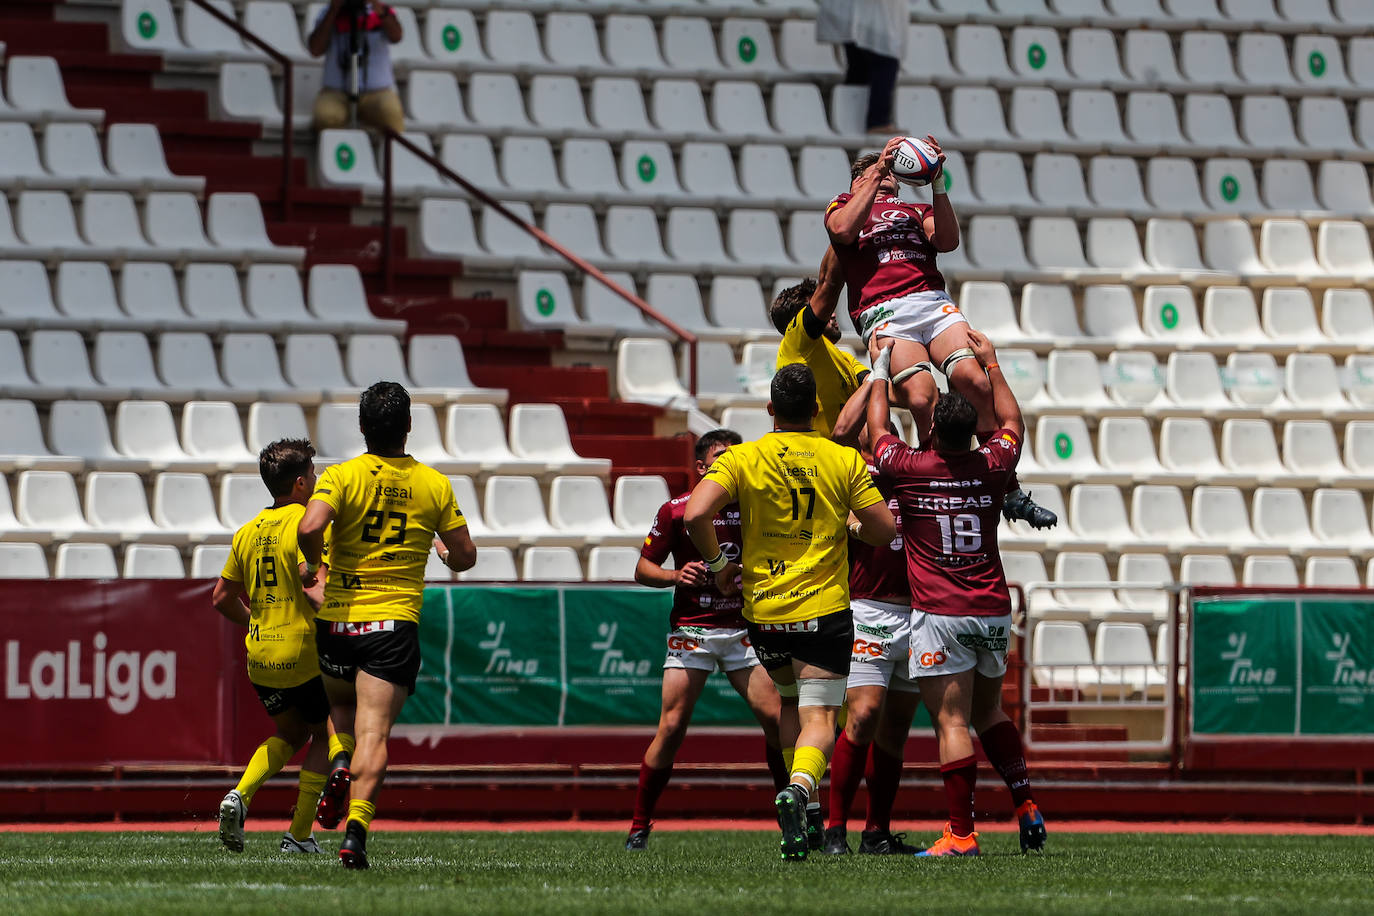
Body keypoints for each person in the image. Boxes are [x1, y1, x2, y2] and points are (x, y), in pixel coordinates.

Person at [683, 363, 897, 861]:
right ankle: (800, 791)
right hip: (823, 612)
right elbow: (884, 529)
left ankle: (809, 818)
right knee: (820, 716)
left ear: (771, 409)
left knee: (786, 706)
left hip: (765, 615)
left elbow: (695, 514)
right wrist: (853, 529)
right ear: (817, 409)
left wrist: (718, 565)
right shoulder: (841, 459)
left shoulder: (743, 456)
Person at [865, 334, 1046, 857]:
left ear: (934, 431)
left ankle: (961, 834)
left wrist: (880, 368)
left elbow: (878, 429)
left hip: (940, 612)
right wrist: (989, 363)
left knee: (951, 721)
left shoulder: (910, 469)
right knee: (991, 713)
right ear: (971, 433)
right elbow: (1013, 423)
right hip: (992, 607)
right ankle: (1025, 802)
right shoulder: (993, 466)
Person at [826, 138, 1058, 530]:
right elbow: (844, 231)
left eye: (893, 182)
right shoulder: (842, 206)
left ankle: (1009, 490)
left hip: (932, 302)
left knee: (974, 382)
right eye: (880, 179)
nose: (889, 186)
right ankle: (937, 485)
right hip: (885, 310)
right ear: (859, 181)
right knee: (922, 395)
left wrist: (937, 184)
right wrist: (880, 169)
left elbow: (948, 242)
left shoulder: (914, 209)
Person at [298, 381, 477, 869]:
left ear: (361, 428)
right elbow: (465, 556)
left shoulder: (341, 476)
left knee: (339, 708)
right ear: (409, 427)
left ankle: (339, 763)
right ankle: (355, 835)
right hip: (392, 625)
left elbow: (310, 527)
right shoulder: (433, 484)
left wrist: (314, 567)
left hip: (338, 621)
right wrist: (441, 551)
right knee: (373, 733)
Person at [625, 429, 788, 851]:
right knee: (673, 725)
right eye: (720, 457)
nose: (730, 463)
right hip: (692, 629)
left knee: (777, 721)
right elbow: (643, 569)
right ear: (700, 466)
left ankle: (790, 816)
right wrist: (676, 575)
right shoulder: (677, 511)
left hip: (742, 630)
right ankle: (639, 827)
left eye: (736, 456)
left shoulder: (754, 506)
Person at [211, 438, 332, 855]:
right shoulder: (309, 524)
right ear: (300, 483)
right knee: (326, 734)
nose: (316, 480)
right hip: (302, 652)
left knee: (290, 732)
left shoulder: (247, 531)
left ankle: (240, 795)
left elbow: (221, 598)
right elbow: (314, 584)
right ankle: (299, 835)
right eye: (313, 474)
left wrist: (257, 622)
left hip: (260, 655)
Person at [820, 426, 924, 857]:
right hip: (868, 611)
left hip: (920, 615)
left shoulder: (917, 479)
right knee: (863, 716)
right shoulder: (850, 483)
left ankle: (876, 832)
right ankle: (834, 829)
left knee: (895, 732)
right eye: (871, 444)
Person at [771, 250, 873, 447]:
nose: (832, 313)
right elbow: (829, 285)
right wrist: (841, 234)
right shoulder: (796, 339)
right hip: (808, 462)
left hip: (840, 463)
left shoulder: (844, 358)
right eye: (824, 309)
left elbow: (877, 385)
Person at [308, 0, 405, 135]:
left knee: (391, 113)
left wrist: (379, 11)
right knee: (325, 117)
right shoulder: (328, 12)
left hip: (377, 91)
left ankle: (394, 155)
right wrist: (333, 11)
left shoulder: (381, 11)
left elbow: (397, 36)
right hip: (337, 91)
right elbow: (315, 50)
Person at [817, 0, 906, 134]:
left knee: (859, 69)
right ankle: (878, 121)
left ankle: (847, 120)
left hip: (855, 15)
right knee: (885, 63)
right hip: (872, 17)